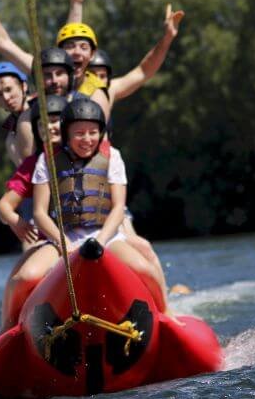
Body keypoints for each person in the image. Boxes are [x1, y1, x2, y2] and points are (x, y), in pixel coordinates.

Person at [32, 98, 174, 317]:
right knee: (24, 277)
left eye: (93, 132)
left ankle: (167, 315)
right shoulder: (47, 160)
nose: (87, 139)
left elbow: (118, 208)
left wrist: (99, 242)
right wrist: (65, 244)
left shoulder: (113, 157)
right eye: (79, 133)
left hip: (105, 236)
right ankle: (10, 328)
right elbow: (39, 213)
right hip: (63, 238)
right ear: (67, 134)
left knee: (146, 270)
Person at [0, 95, 68, 330]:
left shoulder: (87, 153)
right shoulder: (33, 165)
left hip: (92, 233)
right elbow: (4, 207)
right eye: (42, 123)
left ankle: (162, 312)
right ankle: (7, 331)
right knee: (21, 279)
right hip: (51, 239)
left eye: (57, 120)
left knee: (143, 251)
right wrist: (16, 222)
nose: (50, 127)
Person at [0, 61, 31, 166]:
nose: (6, 98)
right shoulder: (12, 139)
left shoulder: (46, 107)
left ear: (24, 86)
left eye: (8, 89)